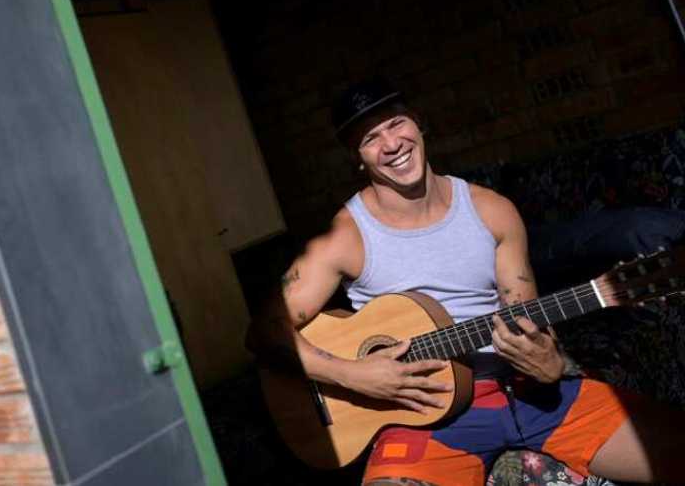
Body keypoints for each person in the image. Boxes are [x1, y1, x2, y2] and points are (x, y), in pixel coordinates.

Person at [245, 78, 682, 485]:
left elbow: (528, 320)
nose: (391, 144)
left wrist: (547, 359)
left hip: (527, 394)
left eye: (396, 123)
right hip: (423, 419)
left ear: (419, 123)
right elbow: (264, 330)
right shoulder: (345, 237)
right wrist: (352, 375)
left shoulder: (492, 210)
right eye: (370, 138)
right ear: (357, 158)